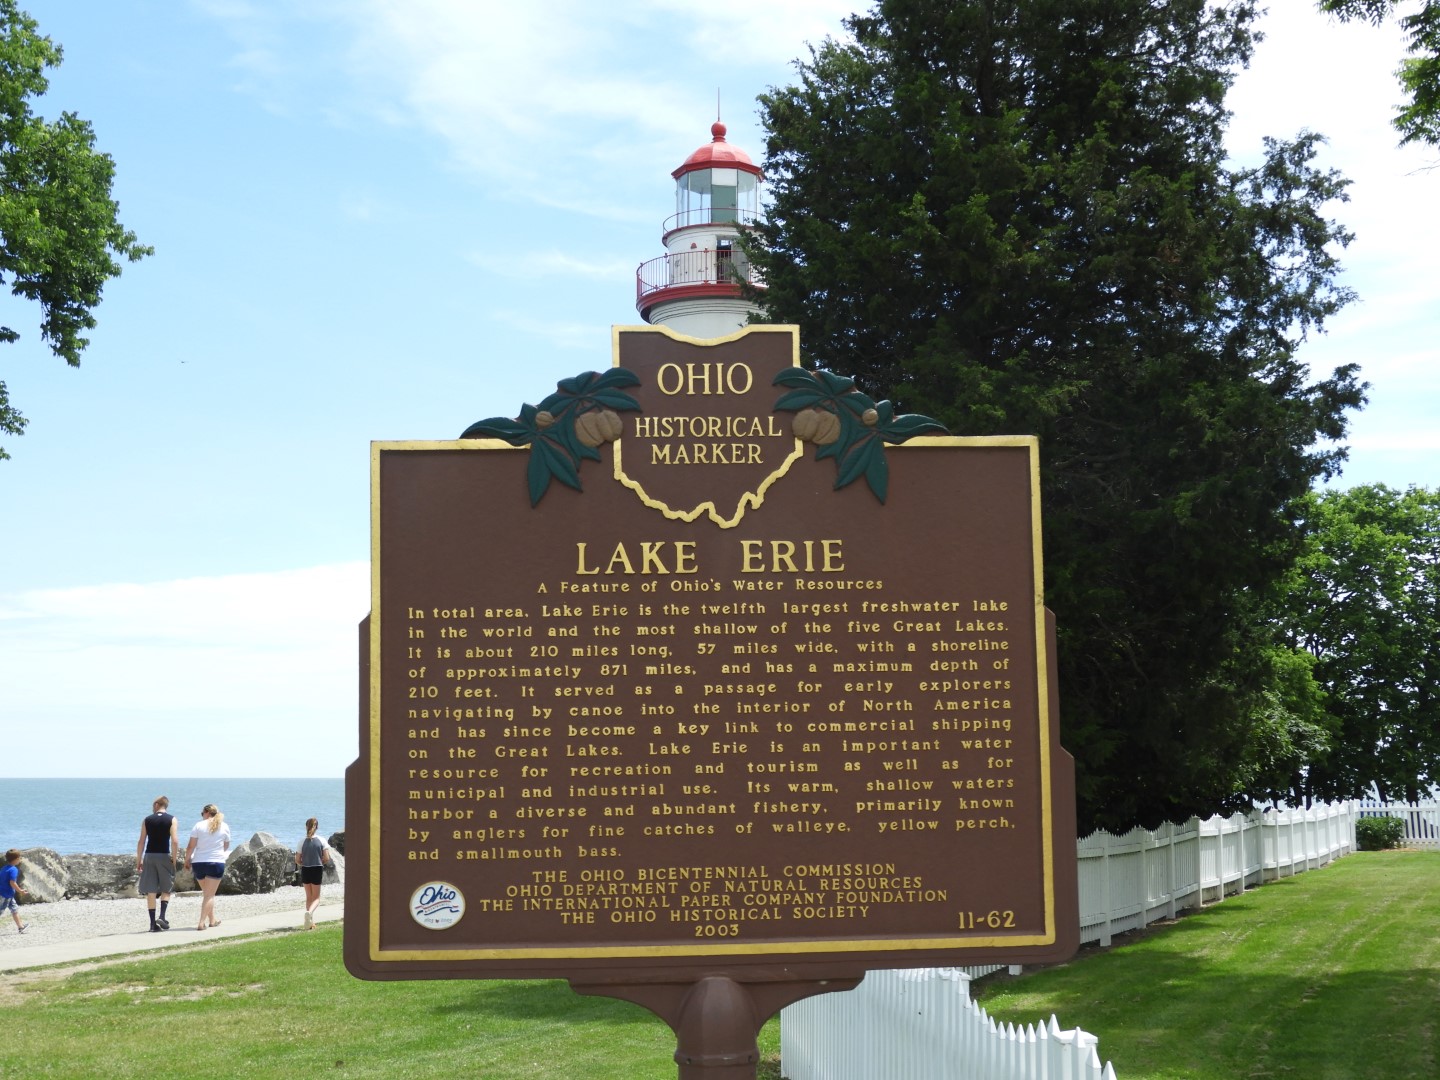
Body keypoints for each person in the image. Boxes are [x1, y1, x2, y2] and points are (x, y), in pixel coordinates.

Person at [183, 804, 231, 931]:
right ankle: (201, 922)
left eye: (202, 813)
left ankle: (212, 920)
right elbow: (226, 846)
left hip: (199, 863)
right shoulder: (224, 826)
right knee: (209, 895)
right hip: (215, 862)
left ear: (206, 812)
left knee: (207, 894)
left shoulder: (198, 825)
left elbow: (191, 846)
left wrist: (187, 860)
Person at [135, 795, 179, 932]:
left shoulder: (147, 820)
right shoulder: (172, 819)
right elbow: (175, 840)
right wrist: (174, 857)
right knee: (166, 888)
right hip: (164, 855)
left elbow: (141, 841)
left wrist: (139, 859)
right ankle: (162, 915)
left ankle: (152, 925)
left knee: (151, 890)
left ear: (156, 804)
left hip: (149, 855)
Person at [294, 817, 332, 929]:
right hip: (317, 869)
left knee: (309, 897)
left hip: (305, 869)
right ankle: (309, 914)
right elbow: (327, 857)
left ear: (306, 827)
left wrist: (303, 862)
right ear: (317, 827)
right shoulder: (321, 840)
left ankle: (310, 922)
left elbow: (297, 859)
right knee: (316, 898)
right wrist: (321, 861)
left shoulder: (301, 841)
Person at [0, 849, 28, 933]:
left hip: (9, 894)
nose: (20, 859)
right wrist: (20, 891)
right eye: (20, 858)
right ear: (16, 859)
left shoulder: (4, 868)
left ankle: (21, 927)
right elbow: (12, 882)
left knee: (14, 909)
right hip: (5, 894)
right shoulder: (13, 869)